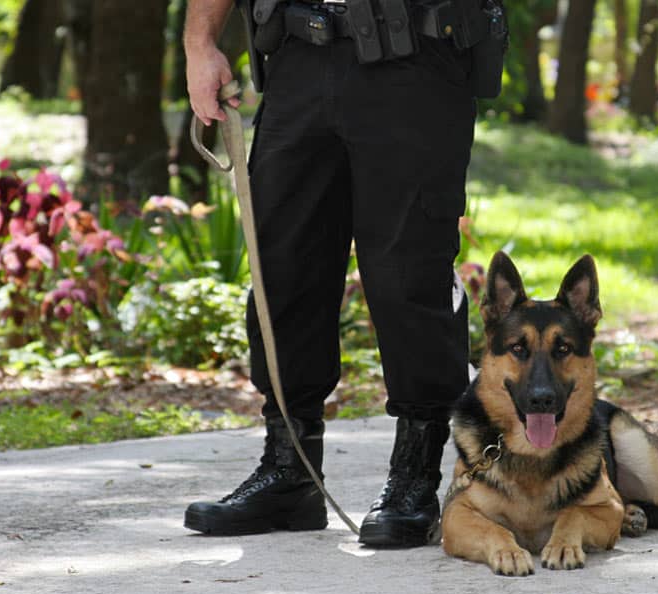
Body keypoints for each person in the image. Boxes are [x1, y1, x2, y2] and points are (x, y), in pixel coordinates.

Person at [181, 0, 477, 547]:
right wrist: (201, 44)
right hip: (298, 54)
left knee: (408, 273)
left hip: (416, 55)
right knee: (283, 267)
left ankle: (414, 478)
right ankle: (289, 475)